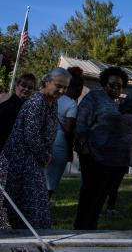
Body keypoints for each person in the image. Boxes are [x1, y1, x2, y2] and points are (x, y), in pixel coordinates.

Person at [2, 67, 71, 229]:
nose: (62, 90)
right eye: (58, 85)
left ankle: (26, 234)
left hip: (33, 158)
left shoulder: (52, 102)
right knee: (30, 200)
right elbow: (32, 136)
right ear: (46, 82)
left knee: (31, 200)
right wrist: (45, 156)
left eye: (65, 87)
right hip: (20, 159)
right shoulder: (37, 102)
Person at [74, 66, 132, 230]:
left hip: (118, 161)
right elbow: (81, 123)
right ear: (104, 84)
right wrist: (83, 149)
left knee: (100, 200)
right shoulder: (95, 97)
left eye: (119, 85)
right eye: (112, 84)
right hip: (96, 157)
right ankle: (80, 233)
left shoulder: (120, 104)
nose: (116, 88)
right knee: (90, 199)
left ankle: (90, 233)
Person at [44, 67, 84, 198]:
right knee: (51, 183)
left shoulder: (50, 97)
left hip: (44, 139)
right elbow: (68, 129)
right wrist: (70, 151)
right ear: (76, 88)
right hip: (59, 143)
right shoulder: (72, 104)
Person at [0, 73, 36, 151]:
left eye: (30, 88)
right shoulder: (4, 97)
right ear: (17, 85)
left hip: (7, 148)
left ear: (33, 90)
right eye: (23, 85)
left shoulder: (29, 108)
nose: (26, 89)